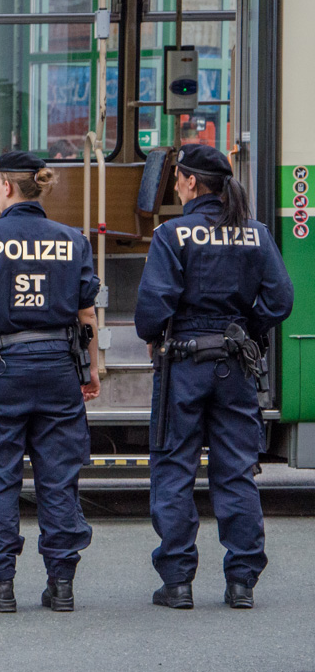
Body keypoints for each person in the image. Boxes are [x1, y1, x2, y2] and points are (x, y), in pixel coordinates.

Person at [135, 144, 292, 610]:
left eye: (178, 178)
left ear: (188, 182)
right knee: (235, 472)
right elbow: (280, 300)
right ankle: (241, 581)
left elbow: (150, 312)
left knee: (174, 470)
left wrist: (159, 333)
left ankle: (178, 582)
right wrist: (245, 331)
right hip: (235, 367)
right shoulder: (256, 233)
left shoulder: (172, 234)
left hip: (183, 365)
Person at [0, 150, 100, 613]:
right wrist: (89, 370)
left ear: (6, 186)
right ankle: (62, 585)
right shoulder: (72, 240)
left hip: (1, 370)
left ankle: (1, 587)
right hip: (57, 368)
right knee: (59, 478)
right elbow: (86, 312)